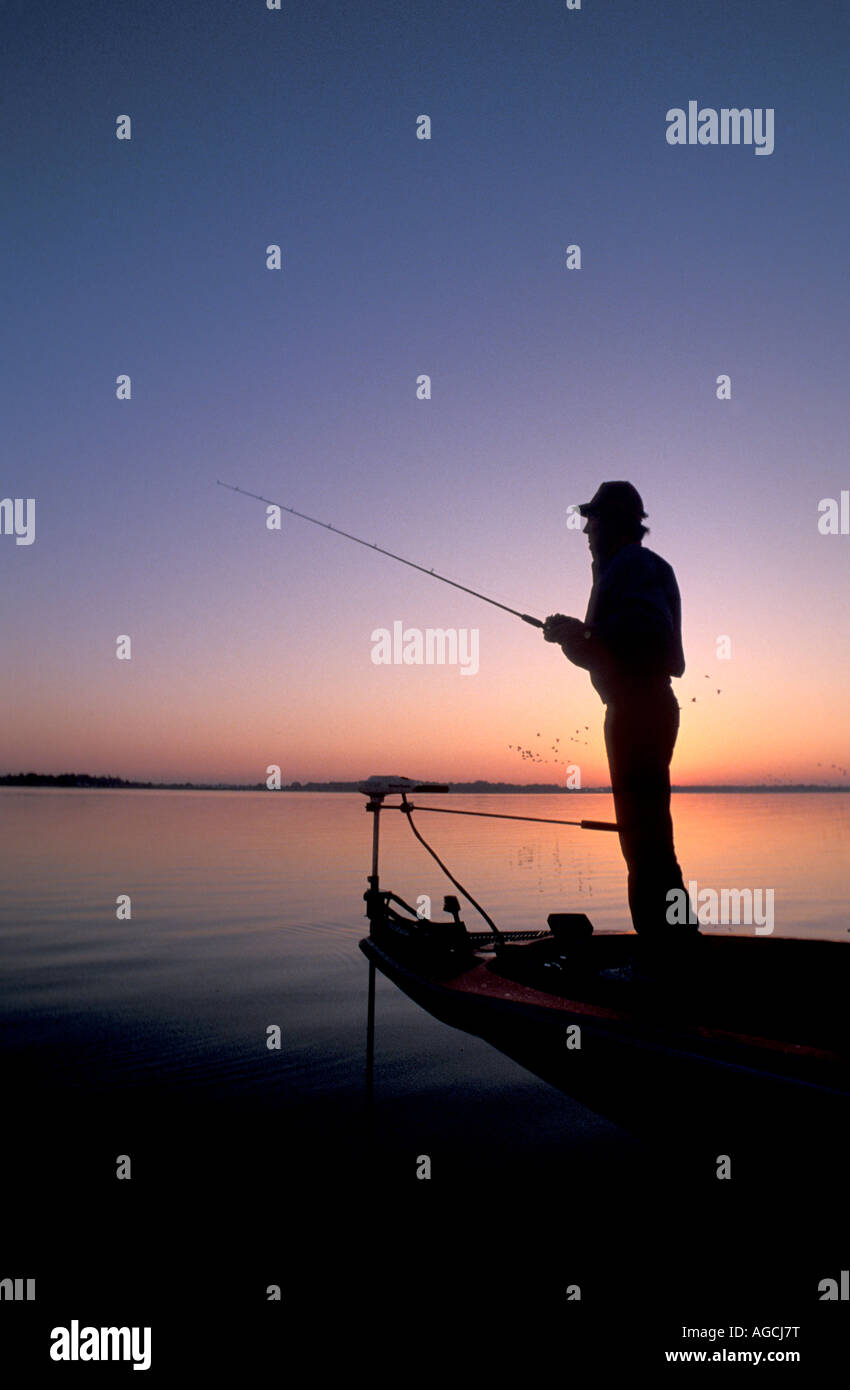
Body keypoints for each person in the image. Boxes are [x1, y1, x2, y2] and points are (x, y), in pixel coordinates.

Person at [543, 482, 698, 973]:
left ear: (615, 523)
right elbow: (618, 643)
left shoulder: (631, 565)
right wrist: (575, 637)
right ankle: (675, 947)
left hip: (638, 710)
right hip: (644, 707)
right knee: (650, 838)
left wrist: (582, 634)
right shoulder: (638, 568)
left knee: (644, 840)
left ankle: (663, 959)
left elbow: (645, 637)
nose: (586, 530)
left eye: (593, 519)